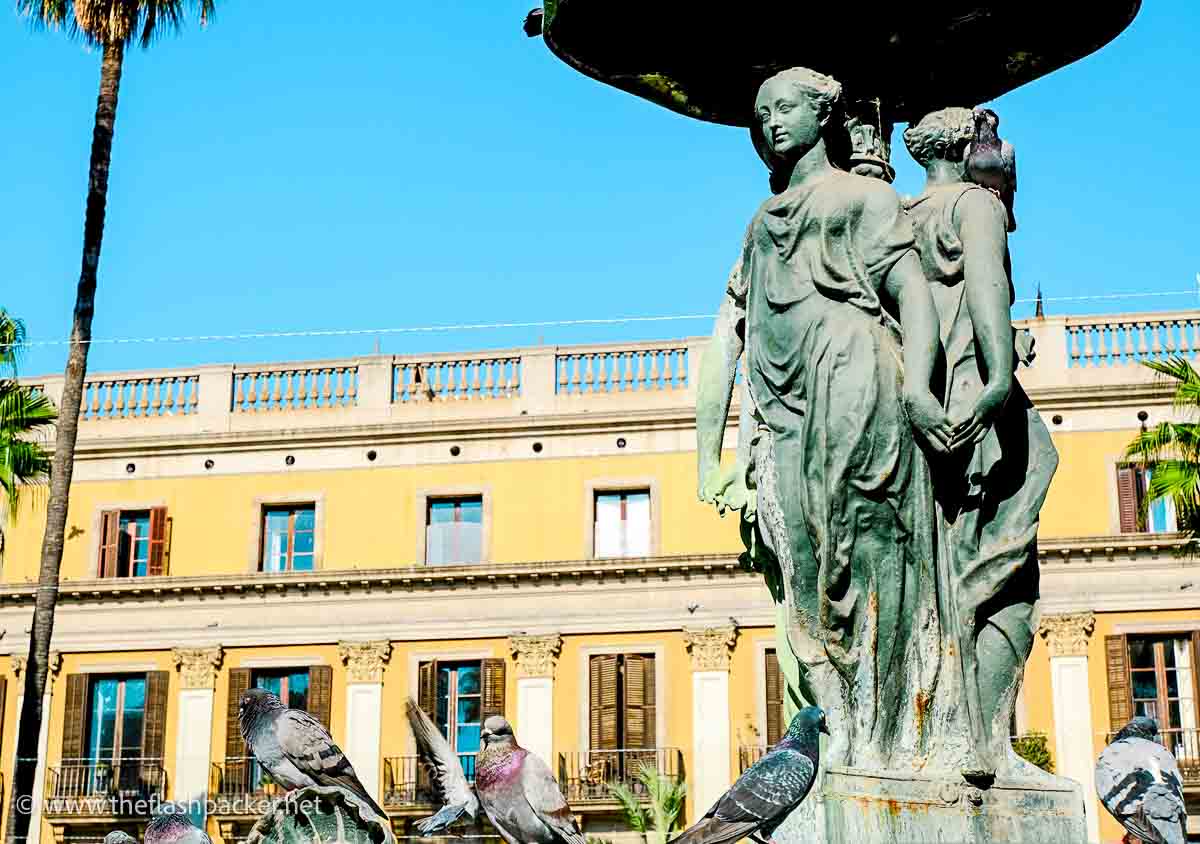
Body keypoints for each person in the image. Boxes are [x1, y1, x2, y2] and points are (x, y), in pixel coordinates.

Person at [696, 67, 950, 769]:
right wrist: (708, 454)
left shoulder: (865, 197)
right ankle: (839, 722)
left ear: (822, 113)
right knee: (800, 559)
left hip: (856, 377)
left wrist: (921, 391)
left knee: (868, 551)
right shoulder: (760, 221)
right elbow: (729, 335)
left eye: (785, 107)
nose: (771, 122)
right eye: (761, 113)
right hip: (783, 405)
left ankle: (884, 727)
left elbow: (913, 295)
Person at [903, 107, 1059, 778]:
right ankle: (984, 736)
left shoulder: (898, 216)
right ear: (969, 147)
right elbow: (989, 291)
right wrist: (999, 378)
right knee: (1002, 571)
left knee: (934, 566)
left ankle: (943, 722)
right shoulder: (976, 207)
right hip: (971, 388)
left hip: (920, 397)